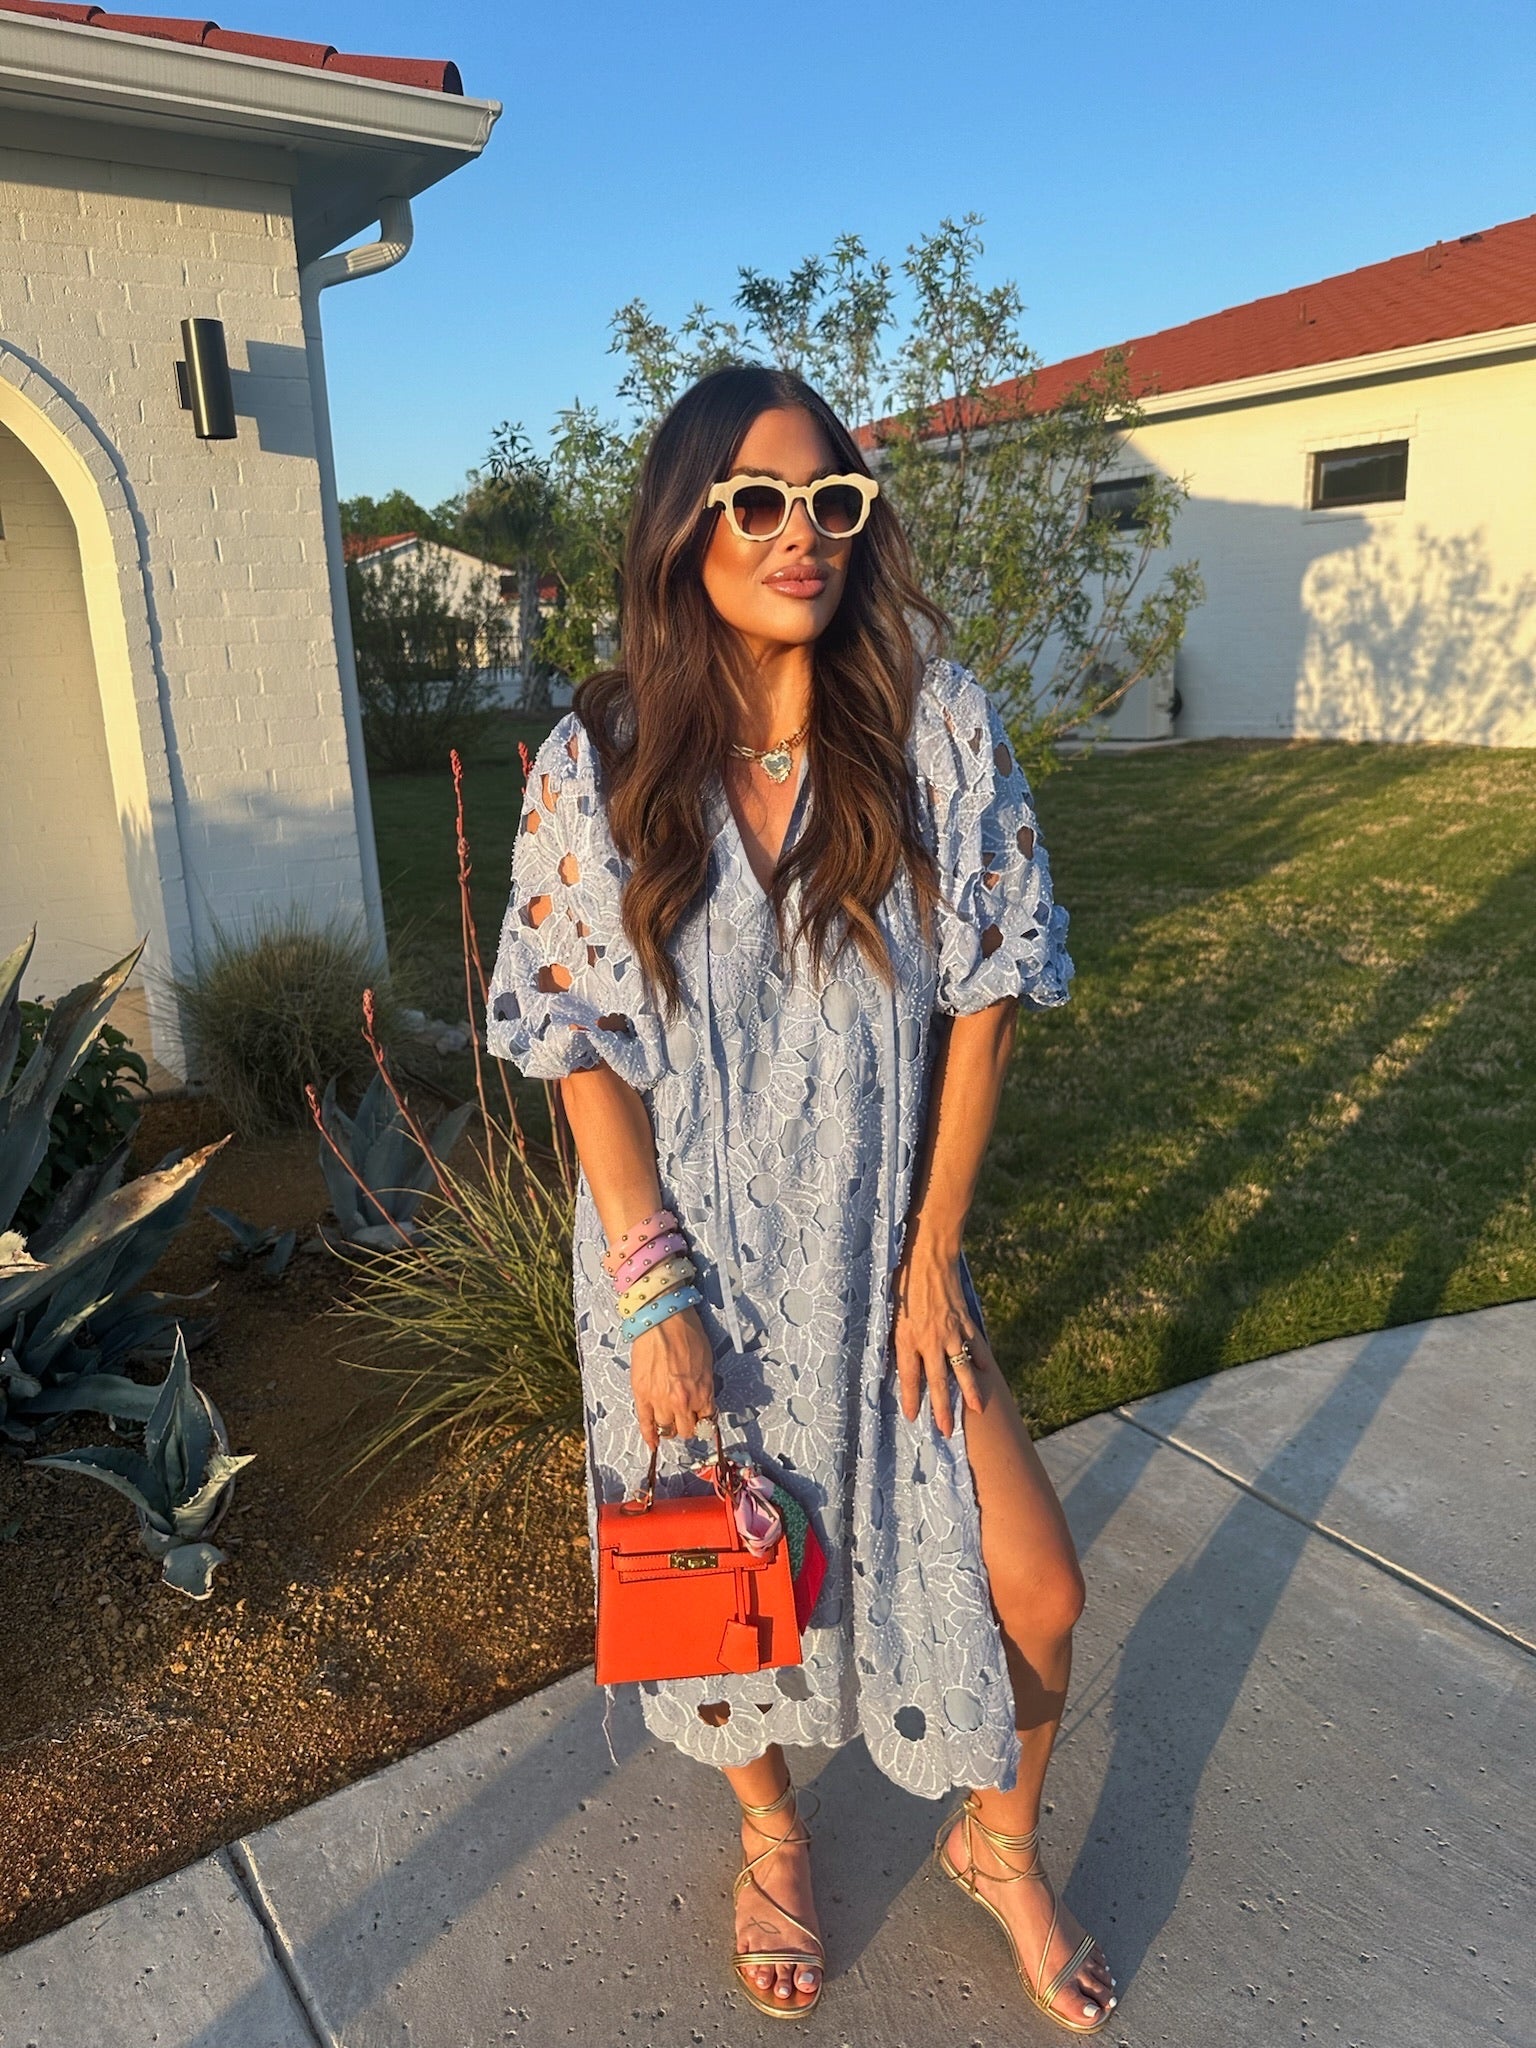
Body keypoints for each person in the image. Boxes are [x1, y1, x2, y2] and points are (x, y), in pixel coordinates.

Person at [486, 364, 1118, 2031]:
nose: (802, 534)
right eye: (758, 501)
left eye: (832, 500)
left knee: (1038, 1585)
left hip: (885, 1251)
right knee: (724, 1581)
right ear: (686, 528)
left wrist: (937, 1253)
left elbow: (988, 993)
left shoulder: (930, 725)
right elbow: (576, 1039)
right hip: (689, 1267)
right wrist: (651, 1290)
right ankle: (771, 1830)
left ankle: (995, 1845)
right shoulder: (602, 758)